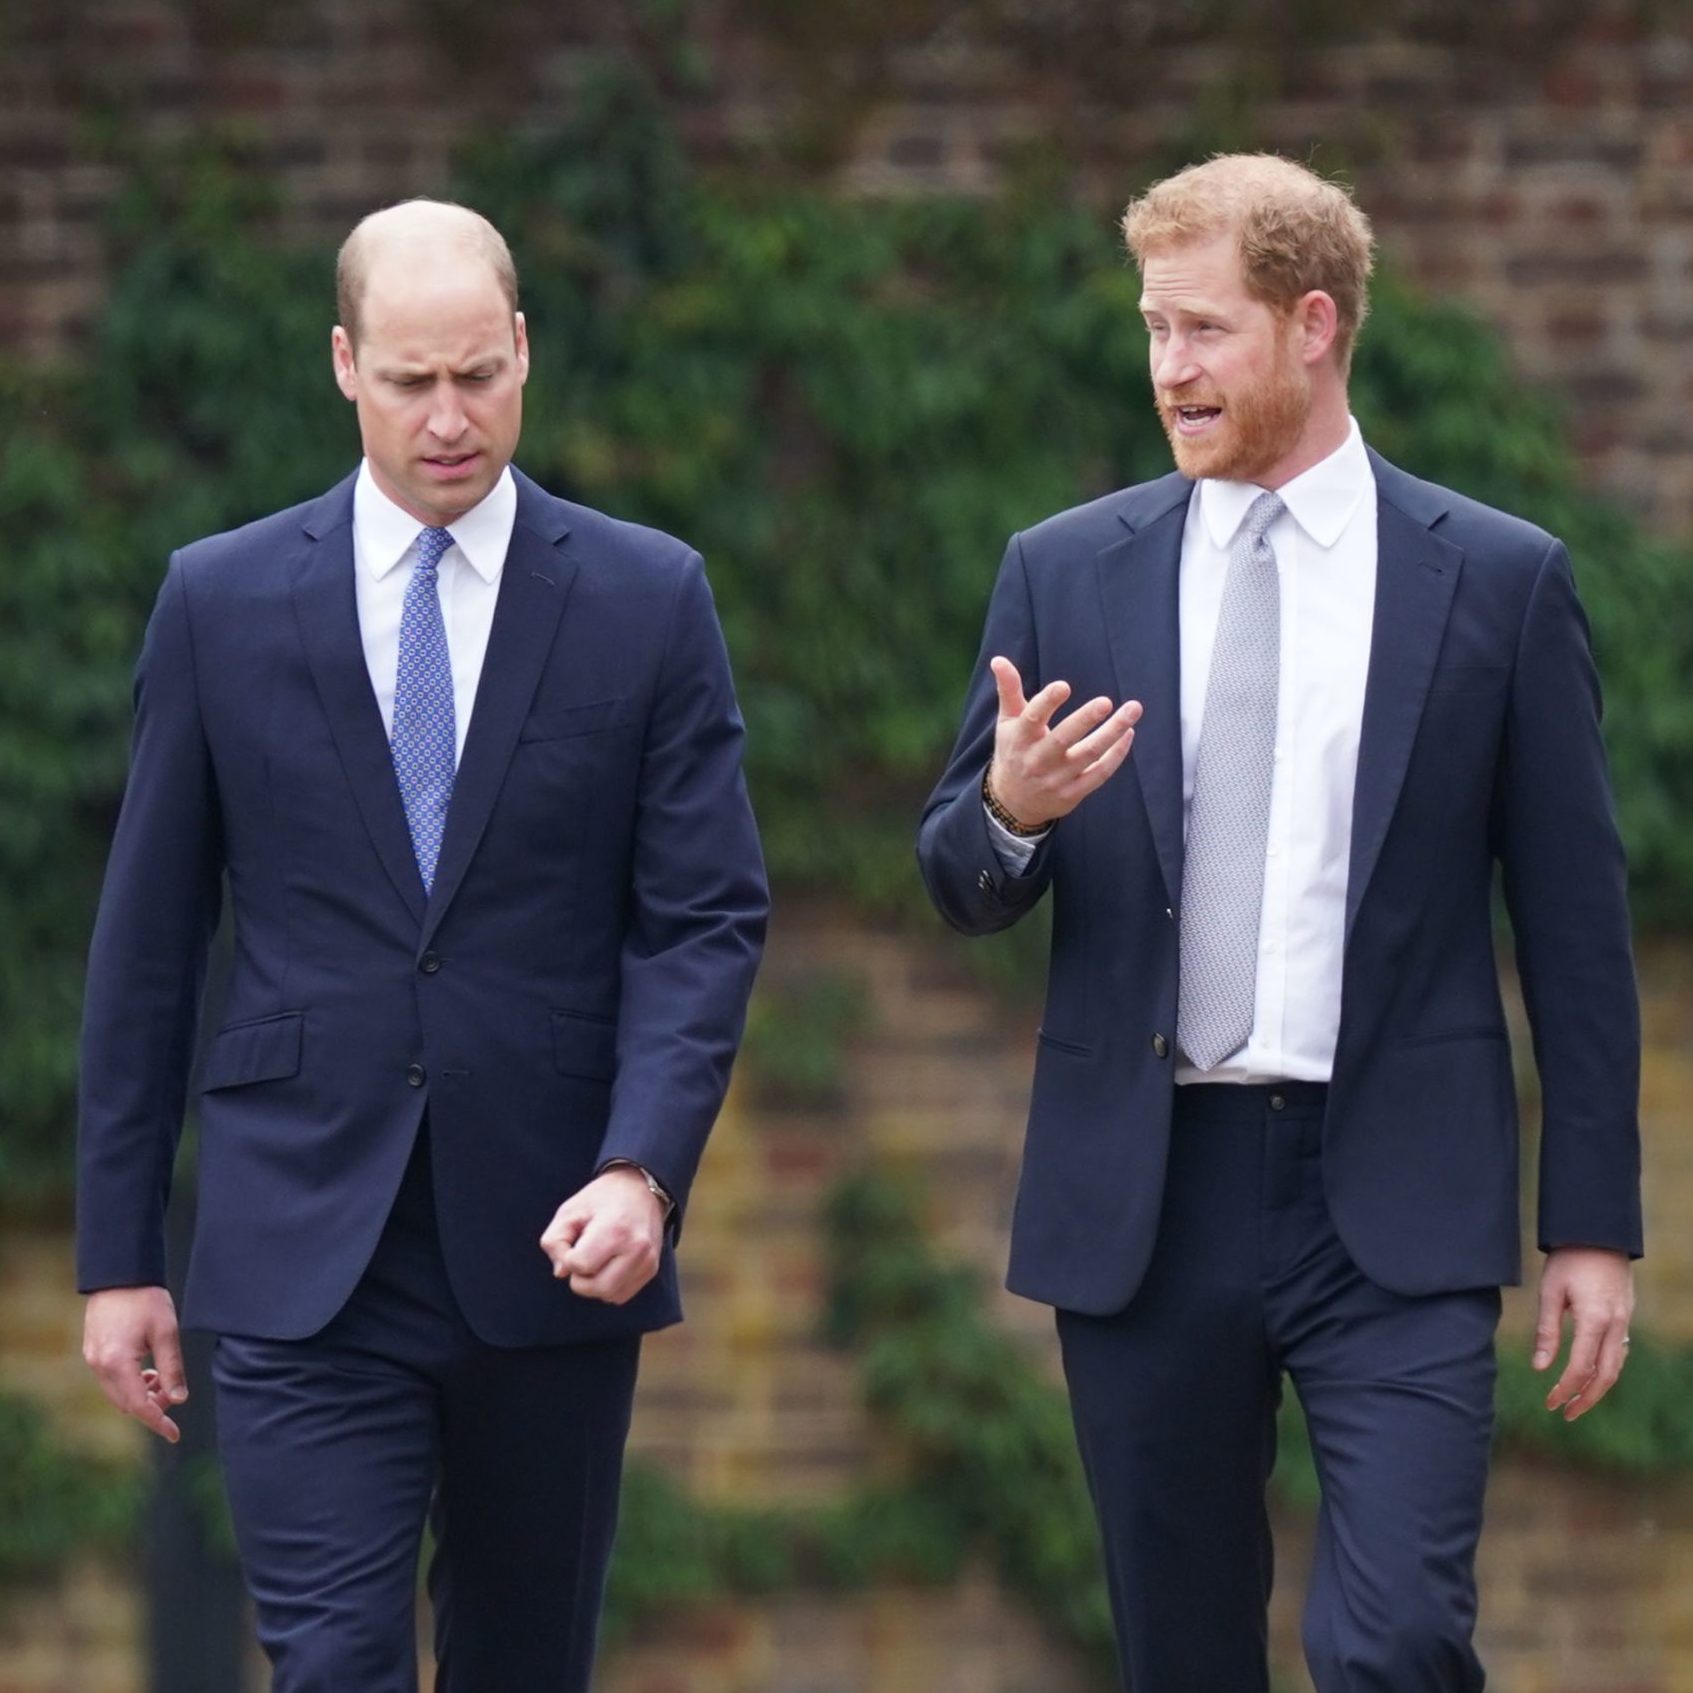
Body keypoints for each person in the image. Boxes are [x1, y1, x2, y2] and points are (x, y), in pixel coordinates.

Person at [918, 154, 1641, 1691]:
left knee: (1393, 1642)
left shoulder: (1497, 584)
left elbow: (1576, 930)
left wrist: (1589, 1220)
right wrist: (1015, 812)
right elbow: (956, 868)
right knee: (1180, 1655)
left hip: (1396, 1193)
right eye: (1151, 330)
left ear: (1312, 325)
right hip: (1147, 1195)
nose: (1167, 369)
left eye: (1202, 330)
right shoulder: (1063, 570)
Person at [77, 198, 768, 1692]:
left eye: (477, 375)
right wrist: (121, 1253)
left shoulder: (648, 599)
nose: (448, 419)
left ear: (523, 351)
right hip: (296, 1234)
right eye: (409, 382)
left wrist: (645, 1164)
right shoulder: (222, 600)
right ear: (344, 366)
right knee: (333, 1666)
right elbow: (146, 942)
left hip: (553, 1242)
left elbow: (703, 914)